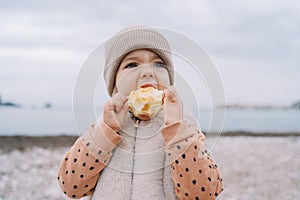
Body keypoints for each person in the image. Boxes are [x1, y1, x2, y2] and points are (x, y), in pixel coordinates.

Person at [57, 26, 223, 199]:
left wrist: (176, 130)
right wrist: (106, 131)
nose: (147, 72)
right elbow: (71, 187)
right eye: (132, 64)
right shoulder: (103, 126)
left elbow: (204, 194)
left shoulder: (184, 124)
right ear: (114, 84)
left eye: (158, 64)